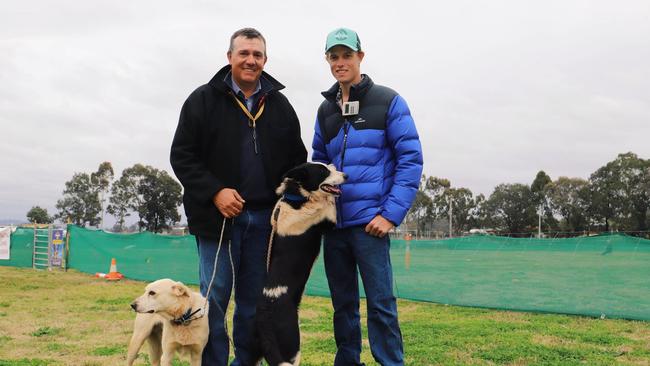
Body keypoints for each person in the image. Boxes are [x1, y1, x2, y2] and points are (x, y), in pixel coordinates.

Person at [170, 27, 307, 366]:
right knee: (213, 302)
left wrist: (286, 204)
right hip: (217, 222)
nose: (250, 60)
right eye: (243, 53)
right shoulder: (202, 99)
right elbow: (182, 156)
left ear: (265, 60)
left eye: (257, 54)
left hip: (264, 224)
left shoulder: (280, 105)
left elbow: (297, 161)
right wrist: (215, 190)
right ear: (229, 57)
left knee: (254, 304)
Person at [312, 28, 423, 366]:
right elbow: (318, 163)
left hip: (371, 225)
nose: (341, 62)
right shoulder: (325, 110)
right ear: (328, 61)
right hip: (335, 228)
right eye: (334, 56)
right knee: (342, 306)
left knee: (381, 305)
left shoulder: (388, 101)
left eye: (347, 55)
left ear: (360, 56)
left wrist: (390, 214)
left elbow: (410, 159)